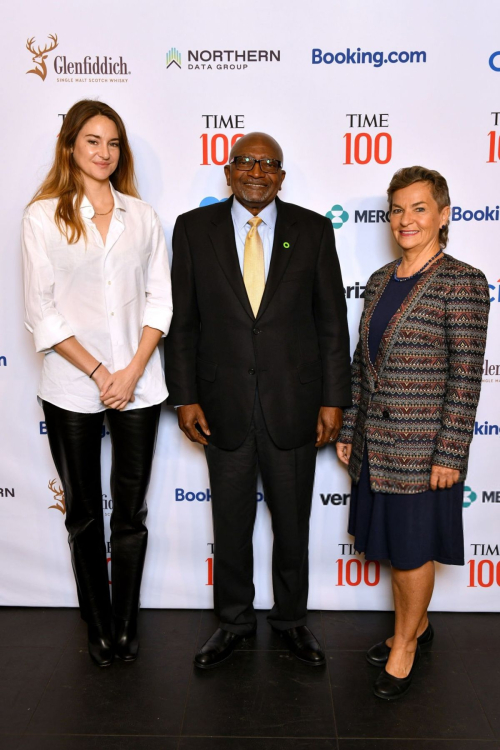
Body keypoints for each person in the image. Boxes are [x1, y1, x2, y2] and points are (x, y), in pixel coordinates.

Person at [165, 132, 351, 669]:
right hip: (222, 406)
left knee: (292, 524)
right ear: (228, 170)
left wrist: (334, 399)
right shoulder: (193, 229)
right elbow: (184, 322)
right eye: (245, 161)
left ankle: (291, 620)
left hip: (294, 405)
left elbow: (329, 322)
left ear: (281, 177)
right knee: (230, 524)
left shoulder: (312, 230)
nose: (256, 171)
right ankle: (233, 622)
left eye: (269, 164)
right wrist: (186, 397)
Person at [21, 100, 172, 667]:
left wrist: (131, 370)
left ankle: (127, 621)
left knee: (130, 512)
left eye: (113, 143)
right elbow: (42, 311)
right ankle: (99, 622)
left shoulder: (144, 216)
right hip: (71, 385)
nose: (104, 153)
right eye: (92, 141)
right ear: (70, 147)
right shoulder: (42, 217)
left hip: (139, 382)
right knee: (84, 511)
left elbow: (162, 298)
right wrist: (99, 372)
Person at [336, 166, 490, 700]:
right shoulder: (381, 280)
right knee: (394, 548)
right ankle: (416, 627)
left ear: (443, 216)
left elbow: (466, 376)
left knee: (410, 552)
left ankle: (404, 647)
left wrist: (451, 451)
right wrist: (351, 427)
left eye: (419, 208)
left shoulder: (463, 281)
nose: (406, 219)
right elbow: (363, 365)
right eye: (398, 209)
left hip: (426, 451)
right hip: (376, 448)